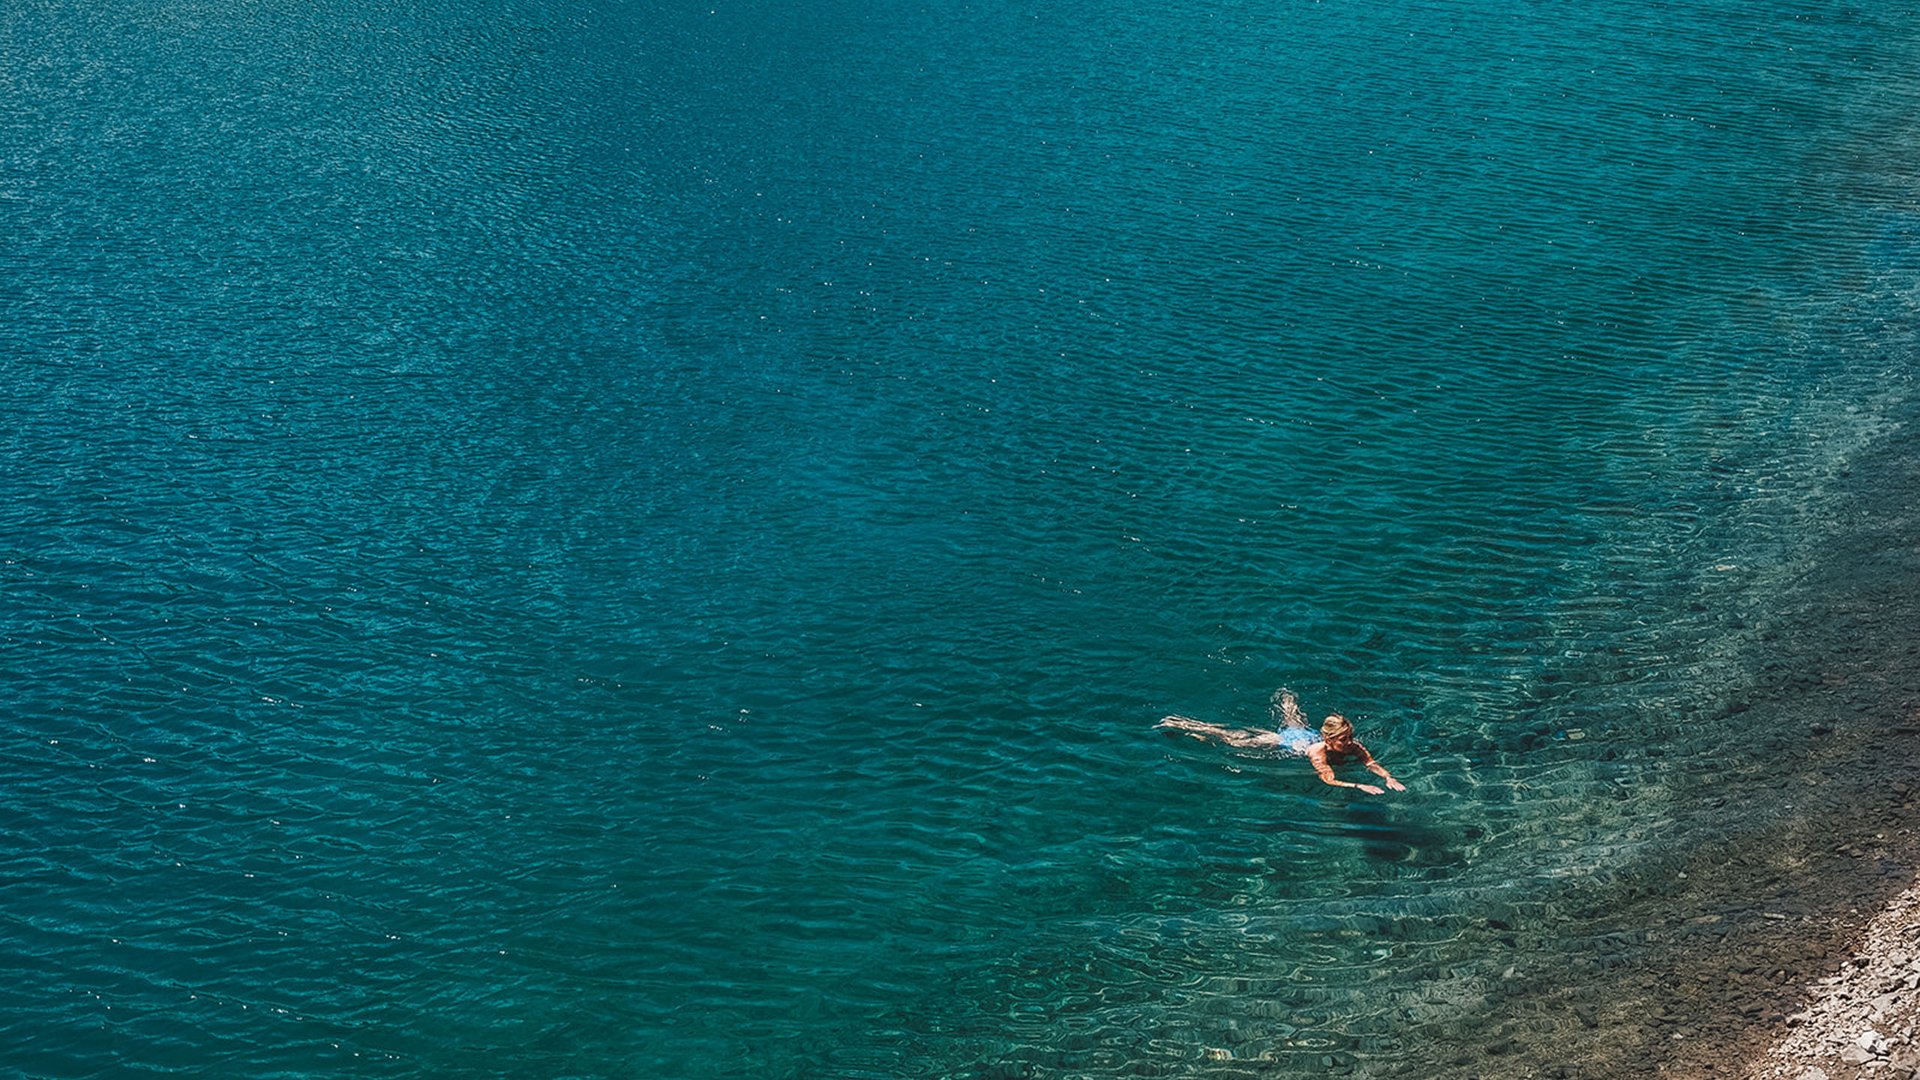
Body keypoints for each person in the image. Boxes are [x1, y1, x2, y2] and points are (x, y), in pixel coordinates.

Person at [1156, 688, 1407, 795]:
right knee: (1232, 740)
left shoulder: (1352, 746)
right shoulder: (1317, 751)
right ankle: (1182, 723)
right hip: (1284, 742)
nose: (1350, 742)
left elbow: (1370, 762)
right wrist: (1358, 786)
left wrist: (1387, 777)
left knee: (1292, 717)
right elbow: (1327, 778)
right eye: (1344, 739)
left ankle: (1287, 698)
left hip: (1302, 732)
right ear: (1329, 739)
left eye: (1350, 737)